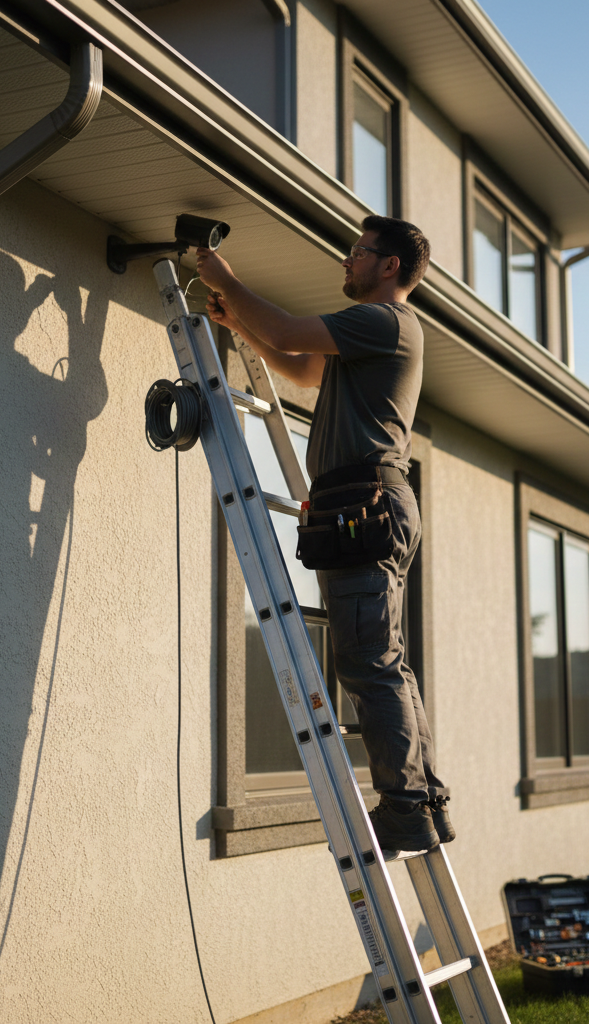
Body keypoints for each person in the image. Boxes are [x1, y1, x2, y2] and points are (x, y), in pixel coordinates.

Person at [196, 215, 452, 854]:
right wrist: (238, 324)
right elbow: (302, 368)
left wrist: (219, 271)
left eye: (359, 252)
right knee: (383, 661)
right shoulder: (373, 335)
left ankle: (405, 806)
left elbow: (285, 329)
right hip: (367, 502)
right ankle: (422, 801)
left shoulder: (384, 319)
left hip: (366, 503)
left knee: (368, 663)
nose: (348, 260)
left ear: (389, 266)